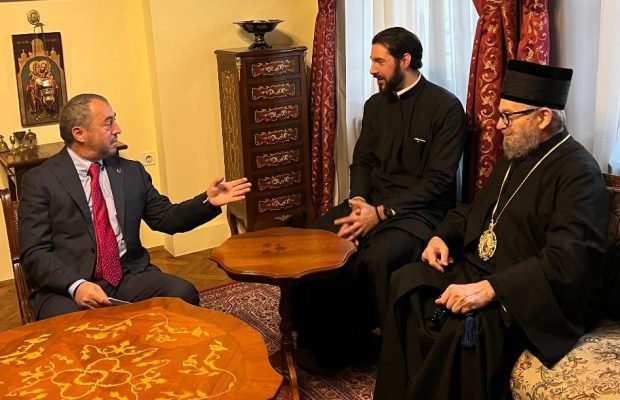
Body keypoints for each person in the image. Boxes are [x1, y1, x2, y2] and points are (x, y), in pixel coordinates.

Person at [373, 60, 610, 400]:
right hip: (482, 270)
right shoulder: (517, 154)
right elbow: (476, 209)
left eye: (507, 116)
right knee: (406, 282)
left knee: (464, 328)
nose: (499, 125)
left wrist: (491, 289)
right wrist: (442, 235)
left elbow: (568, 261)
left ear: (543, 117)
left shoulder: (579, 174)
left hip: (529, 296)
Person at [291, 27, 467, 372]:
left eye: (379, 61)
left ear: (405, 60)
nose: (372, 69)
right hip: (370, 203)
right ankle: (323, 346)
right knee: (314, 242)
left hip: (420, 213)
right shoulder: (374, 106)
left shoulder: (445, 108)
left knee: (376, 258)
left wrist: (382, 213)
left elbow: (439, 181)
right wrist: (359, 201)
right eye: (371, 61)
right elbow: (363, 162)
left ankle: (387, 353)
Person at [18, 93, 251, 320]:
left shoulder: (131, 172)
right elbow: (35, 252)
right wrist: (76, 285)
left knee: (182, 293)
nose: (118, 129)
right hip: (67, 286)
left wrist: (208, 202)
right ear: (79, 133)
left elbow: (166, 218)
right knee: (75, 327)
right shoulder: (40, 181)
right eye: (108, 123)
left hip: (126, 275)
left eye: (115, 120)